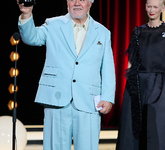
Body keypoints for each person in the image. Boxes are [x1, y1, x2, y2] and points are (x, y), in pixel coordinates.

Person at [17, 0, 116, 150]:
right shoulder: (53, 24)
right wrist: (26, 14)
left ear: (90, 3)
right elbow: (31, 38)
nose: (77, 3)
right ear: (67, 2)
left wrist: (108, 97)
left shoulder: (103, 32)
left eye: (82, 0)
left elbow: (108, 67)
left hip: (88, 102)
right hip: (56, 100)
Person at [116, 0, 165, 149]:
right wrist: (130, 86)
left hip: (162, 85)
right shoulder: (138, 31)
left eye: (155, 7)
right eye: (149, 6)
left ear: (162, 8)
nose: (152, 10)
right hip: (140, 83)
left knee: (160, 126)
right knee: (135, 127)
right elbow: (131, 60)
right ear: (145, 7)